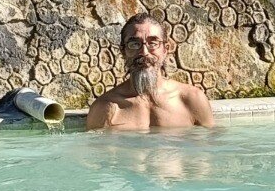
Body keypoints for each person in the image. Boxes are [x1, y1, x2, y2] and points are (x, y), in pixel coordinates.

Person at [85, 12, 215, 131]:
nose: (144, 52)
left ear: (165, 49)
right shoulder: (104, 108)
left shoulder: (192, 100)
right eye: (134, 44)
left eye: (153, 43)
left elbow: (210, 151)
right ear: (123, 51)